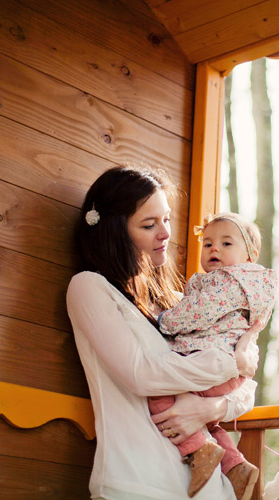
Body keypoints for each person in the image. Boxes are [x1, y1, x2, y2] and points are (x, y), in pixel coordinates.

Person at [66, 166, 261, 500]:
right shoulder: (89, 288)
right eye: (148, 224)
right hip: (137, 482)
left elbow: (248, 388)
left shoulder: (178, 308)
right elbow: (141, 375)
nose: (165, 233)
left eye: (166, 219)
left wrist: (211, 410)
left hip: (208, 488)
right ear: (115, 231)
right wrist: (231, 362)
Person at [151, 213, 277, 500]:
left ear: (250, 256)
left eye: (226, 243)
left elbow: (198, 312)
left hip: (211, 364)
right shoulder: (251, 288)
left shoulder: (227, 282)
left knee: (157, 396)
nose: (214, 249)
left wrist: (165, 321)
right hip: (227, 373)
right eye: (207, 243)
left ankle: (198, 450)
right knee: (208, 422)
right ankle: (235, 466)